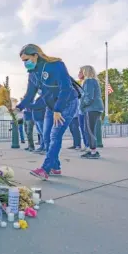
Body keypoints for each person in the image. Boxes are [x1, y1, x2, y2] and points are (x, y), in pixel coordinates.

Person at [14, 44, 79, 180]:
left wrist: (58, 110)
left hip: (66, 103)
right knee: (46, 135)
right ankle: (56, 167)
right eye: (23, 61)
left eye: (26, 60)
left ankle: (45, 168)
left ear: (35, 55)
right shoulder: (32, 74)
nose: (25, 63)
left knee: (55, 135)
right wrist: (19, 107)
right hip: (51, 106)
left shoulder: (56, 65)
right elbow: (29, 95)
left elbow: (66, 87)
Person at [79, 65, 104, 159]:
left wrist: (82, 106)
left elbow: (89, 97)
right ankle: (92, 150)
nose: (79, 74)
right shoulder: (93, 81)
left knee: (89, 130)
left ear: (85, 72)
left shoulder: (89, 81)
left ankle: (93, 152)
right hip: (95, 108)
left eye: (81, 71)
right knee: (90, 130)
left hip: (91, 108)